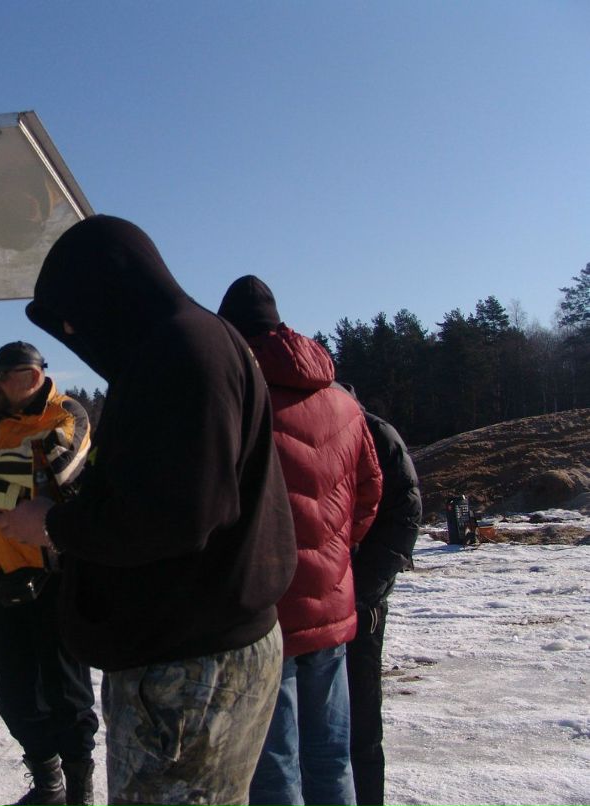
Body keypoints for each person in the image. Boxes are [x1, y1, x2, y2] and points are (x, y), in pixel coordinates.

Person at [0, 216, 298, 806]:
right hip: (200, 647)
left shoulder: (183, 353)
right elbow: (173, 491)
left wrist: (52, 525)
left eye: (75, 317)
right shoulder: (192, 343)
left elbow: (176, 515)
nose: (75, 332)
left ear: (110, 291)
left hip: (189, 666)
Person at [218, 275, 383, 806]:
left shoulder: (234, 397)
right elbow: (369, 494)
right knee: (331, 756)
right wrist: (334, 552)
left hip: (265, 611)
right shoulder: (343, 404)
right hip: (332, 606)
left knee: (274, 768)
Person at [0, 341, 98, 806]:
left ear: (30, 377)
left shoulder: (68, 412)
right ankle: (48, 787)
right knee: (15, 698)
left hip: (53, 576)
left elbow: (55, 471)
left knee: (67, 697)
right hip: (1, 578)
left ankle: (79, 792)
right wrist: (19, 473)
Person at [341, 394, 422, 806]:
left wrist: (361, 591)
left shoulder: (374, 431)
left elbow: (405, 514)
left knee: (361, 732)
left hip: (361, 609)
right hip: (308, 609)